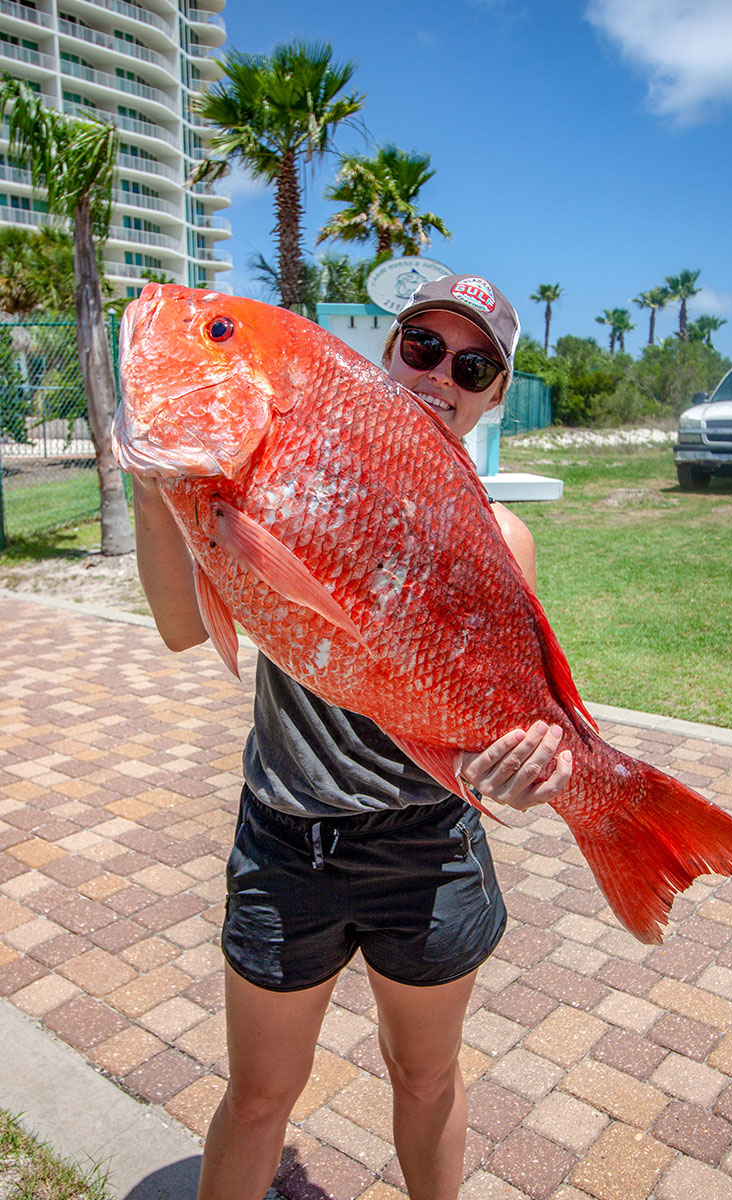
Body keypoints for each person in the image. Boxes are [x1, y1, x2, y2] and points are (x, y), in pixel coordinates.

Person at [130, 272, 573, 1200]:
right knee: (257, 1097)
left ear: (494, 393)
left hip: (429, 846)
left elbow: (510, 717)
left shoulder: (502, 535)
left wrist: (529, 767)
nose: (441, 372)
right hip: (286, 842)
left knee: (425, 1076)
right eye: (422, 346)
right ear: (389, 351)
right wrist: (164, 473)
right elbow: (182, 626)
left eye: (473, 363)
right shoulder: (288, 472)